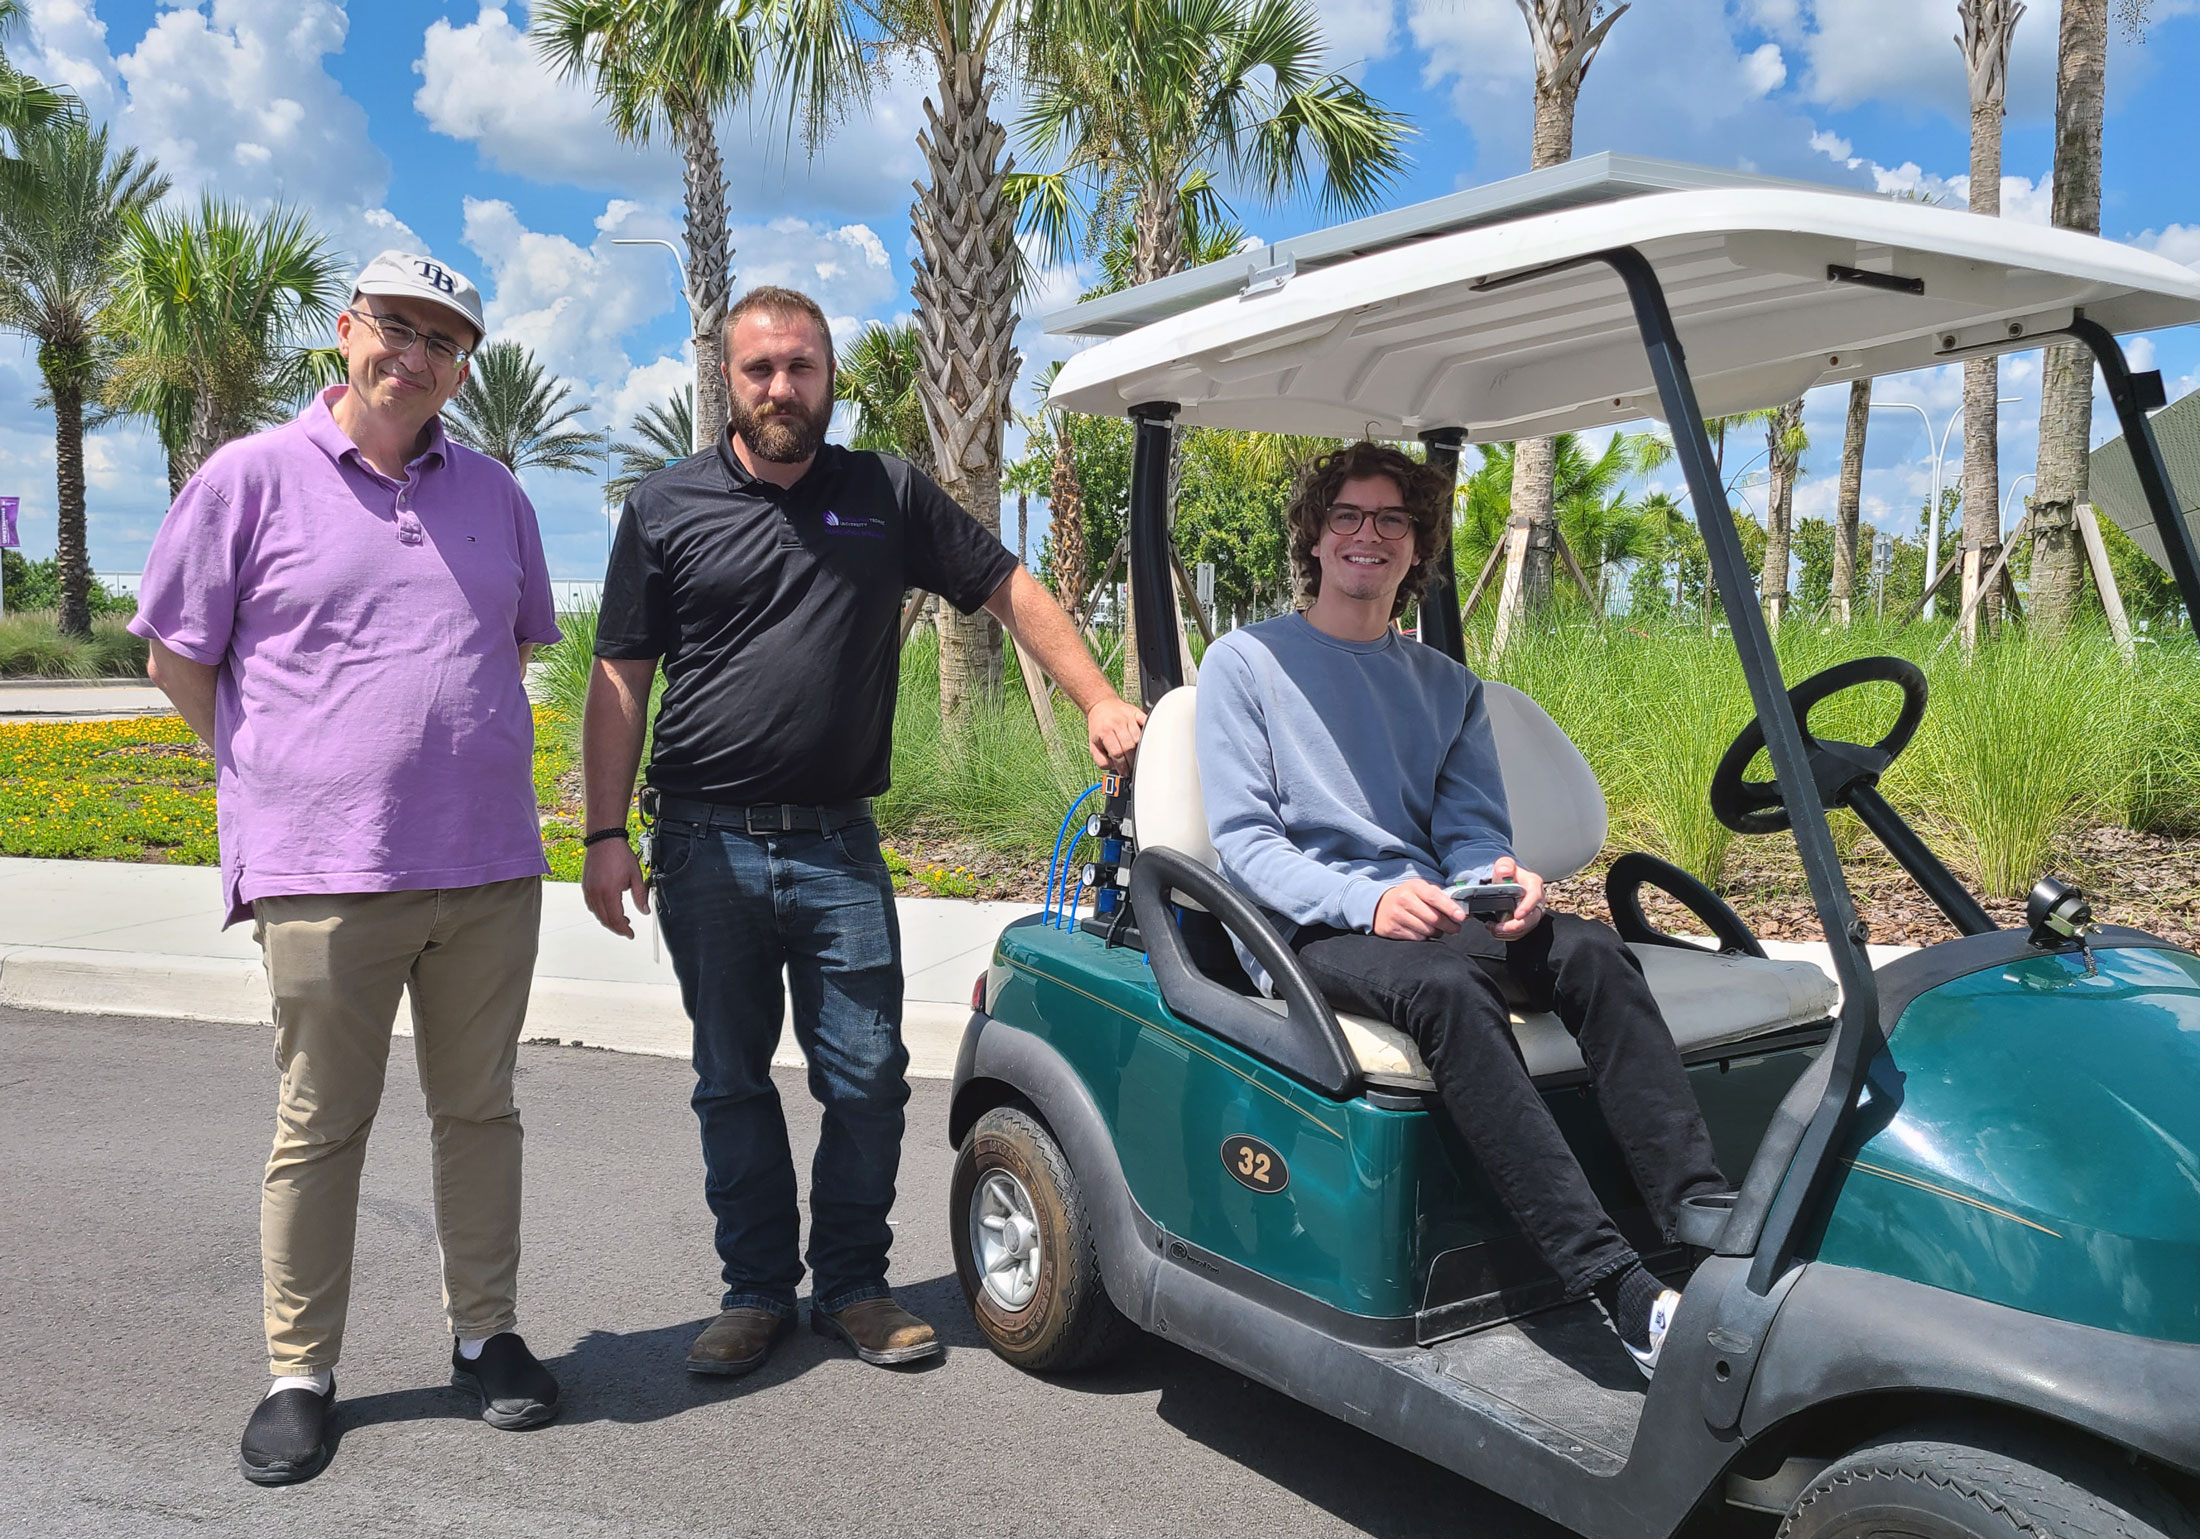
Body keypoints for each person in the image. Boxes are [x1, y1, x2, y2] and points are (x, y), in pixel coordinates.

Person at [582, 285, 1144, 1377]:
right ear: (727, 381)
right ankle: (754, 1292)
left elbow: (1005, 585)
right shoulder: (664, 506)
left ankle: (849, 1283)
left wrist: (1096, 698)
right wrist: (604, 831)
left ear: (830, 376)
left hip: (837, 844)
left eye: (801, 366)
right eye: (760, 369)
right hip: (704, 842)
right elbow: (621, 674)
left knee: (868, 1076)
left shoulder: (883, 491)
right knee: (731, 1080)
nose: (782, 387)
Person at [132, 252, 566, 1486]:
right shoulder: (247, 479)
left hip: (485, 867)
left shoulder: (495, 493)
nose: (415, 355)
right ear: (345, 331)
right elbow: (178, 660)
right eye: (395, 327)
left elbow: (512, 648)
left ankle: (486, 1336)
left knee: (479, 1111)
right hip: (324, 875)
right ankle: (299, 1373)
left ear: (462, 365)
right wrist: (275, 776)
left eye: (443, 341)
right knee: (321, 1126)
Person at [1194, 440, 1727, 1376]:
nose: (1368, 535)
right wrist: (1369, 897)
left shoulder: (1446, 686)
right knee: (1447, 989)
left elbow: (1471, 831)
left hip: (1433, 910)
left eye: (1391, 520)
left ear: (1416, 548)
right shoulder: (1246, 663)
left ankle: (1703, 1222)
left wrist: (1506, 879)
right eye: (1348, 517)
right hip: (1312, 928)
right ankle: (1619, 1289)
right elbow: (1248, 845)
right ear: (1316, 538)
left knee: (1596, 955)